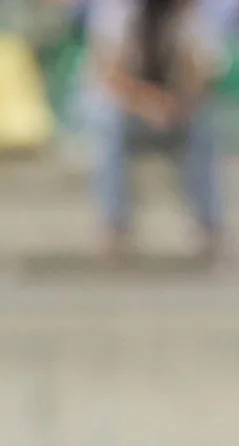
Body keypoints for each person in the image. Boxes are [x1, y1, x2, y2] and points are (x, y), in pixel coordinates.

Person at [84, 0, 228, 261]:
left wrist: (176, 103)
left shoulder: (191, 18)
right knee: (107, 125)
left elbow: (203, 79)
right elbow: (110, 76)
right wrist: (147, 102)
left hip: (176, 114)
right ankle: (114, 227)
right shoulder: (118, 14)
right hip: (130, 113)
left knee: (202, 128)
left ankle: (209, 227)